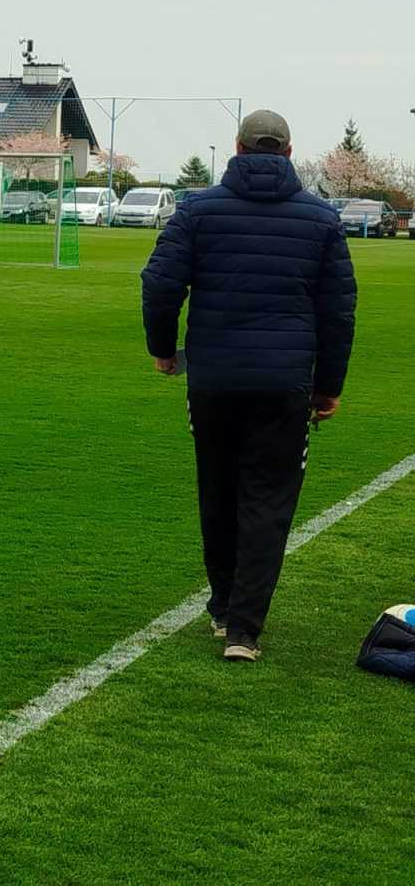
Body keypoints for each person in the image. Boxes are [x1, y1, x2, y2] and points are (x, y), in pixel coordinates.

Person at [141, 109, 356, 663]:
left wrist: (163, 348)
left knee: (217, 490)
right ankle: (244, 629)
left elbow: (160, 283)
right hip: (284, 384)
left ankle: (222, 608)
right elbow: (338, 311)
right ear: (289, 152)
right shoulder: (321, 219)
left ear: (236, 149)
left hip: (213, 381)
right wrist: (328, 386)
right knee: (268, 501)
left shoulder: (196, 211)